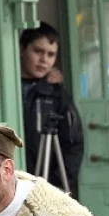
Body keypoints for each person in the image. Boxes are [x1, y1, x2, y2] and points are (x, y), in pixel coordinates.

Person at [20, 23, 84, 198]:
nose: (44, 60)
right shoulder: (7, 89)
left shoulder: (56, 95)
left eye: (51, 54)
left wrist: (55, 185)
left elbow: (73, 144)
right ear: (22, 49)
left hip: (45, 183)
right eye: (38, 51)